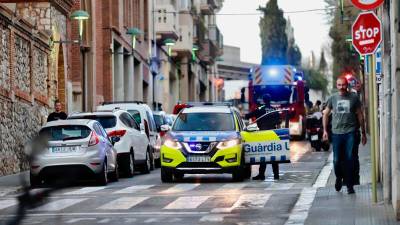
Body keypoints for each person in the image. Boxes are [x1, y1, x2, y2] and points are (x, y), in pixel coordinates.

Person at [322, 76, 367, 194]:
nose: (342, 87)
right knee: (336, 160)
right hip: (336, 133)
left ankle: (349, 185)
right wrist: (325, 131)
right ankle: (338, 177)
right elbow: (325, 114)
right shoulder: (332, 98)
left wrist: (363, 132)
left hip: (350, 132)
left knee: (349, 159)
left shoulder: (354, 97)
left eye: (344, 85)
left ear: (347, 85)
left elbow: (360, 115)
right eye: (339, 85)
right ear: (336, 86)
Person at [245, 94, 281, 180]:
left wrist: (244, 115)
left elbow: (248, 115)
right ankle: (276, 175)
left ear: (263, 100)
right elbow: (279, 121)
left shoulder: (260, 109)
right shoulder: (274, 109)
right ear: (270, 100)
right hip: (273, 133)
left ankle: (261, 174)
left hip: (263, 133)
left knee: (264, 154)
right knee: (274, 154)